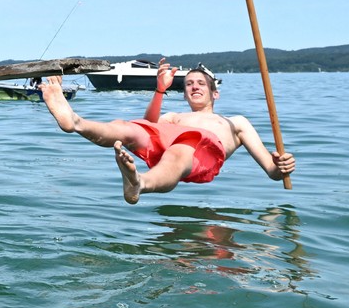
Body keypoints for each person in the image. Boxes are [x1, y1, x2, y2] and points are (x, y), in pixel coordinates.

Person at [41, 60, 294, 203]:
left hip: (203, 152)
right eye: (189, 84)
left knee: (182, 148)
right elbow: (149, 127)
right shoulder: (175, 116)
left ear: (215, 93)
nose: (194, 86)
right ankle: (75, 122)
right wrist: (160, 90)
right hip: (173, 139)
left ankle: (139, 183)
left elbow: (271, 172)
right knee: (130, 128)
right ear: (184, 93)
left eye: (201, 83)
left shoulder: (234, 122)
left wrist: (280, 167)